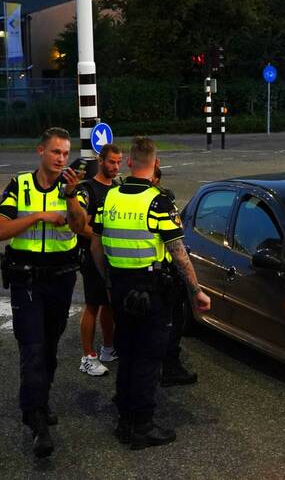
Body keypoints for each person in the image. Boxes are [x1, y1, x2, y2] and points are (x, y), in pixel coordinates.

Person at [89, 137, 211, 450]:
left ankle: (124, 420)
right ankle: (142, 425)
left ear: (129, 162)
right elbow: (179, 252)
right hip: (150, 292)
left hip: (119, 287)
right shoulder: (158, 202)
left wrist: (109, 280)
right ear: (155, 164)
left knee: (126, 352)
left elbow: (96, 247)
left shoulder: (110, 197)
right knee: (147, 359)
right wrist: (196, 290)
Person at [0, 127, 88, 458]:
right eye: (55, 152)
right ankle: (36, 423)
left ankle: (40, 403)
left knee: (48, 349)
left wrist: (72, 196)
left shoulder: (73, 185)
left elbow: (79, 226)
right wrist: (39, 216)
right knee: (31, 348)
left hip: (61, 280)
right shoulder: (19, 185)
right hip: (27, 280)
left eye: (65, 152)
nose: (61, 158)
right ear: (41, 152)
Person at [76, 143, 123, 377]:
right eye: (111, 162)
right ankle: (88, 356)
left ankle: (107, 349)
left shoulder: (116, 189)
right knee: (93, 305)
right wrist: (99, 236)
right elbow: (79, 225)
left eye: (119, 162)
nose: (116, 166)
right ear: (101, 161)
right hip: (91, 256)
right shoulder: (87, 189)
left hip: (110, 256)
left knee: (109, 303)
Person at [151, 165, 199, 386]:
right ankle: (164, 369)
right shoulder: (160, 202)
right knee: (163, 327)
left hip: (156, 276)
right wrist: (196, 289)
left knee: (171, 325)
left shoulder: (163, 198)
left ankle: (166, 367)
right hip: (155, 278)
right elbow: (176, 247)